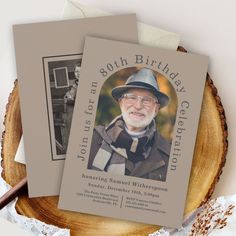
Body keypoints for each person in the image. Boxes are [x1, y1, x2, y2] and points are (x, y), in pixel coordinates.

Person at [87, 68, 171, 182]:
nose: (138, 106)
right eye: (132, 97)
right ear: (121, 103)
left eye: (147, 100)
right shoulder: (91, 140)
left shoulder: (168, 155)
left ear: (156, 109)